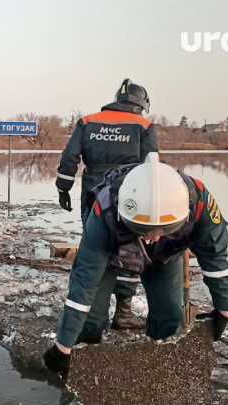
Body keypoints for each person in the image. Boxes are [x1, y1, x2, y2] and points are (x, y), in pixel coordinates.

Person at [44, 152, 228, 377]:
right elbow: (85, 283)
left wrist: (224, 308)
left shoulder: (201, 202)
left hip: (167, 255)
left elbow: (215, 259)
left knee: (170, 316)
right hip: (114, 251)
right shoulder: (103, 211)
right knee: (92, 318)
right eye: (144, 230)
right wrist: (63, 347)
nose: (153, 237)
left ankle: (160, 370)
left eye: (164, 229)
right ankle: (85, 365)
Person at [56, 78, 158, 330]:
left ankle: (90, 313)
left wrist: (63, 187)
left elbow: (70, 157)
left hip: (93, 189)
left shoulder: (87, 122)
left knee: (95, 245)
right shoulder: (144, 125)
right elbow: (153, 167)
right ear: (141, 104)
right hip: (130, 190)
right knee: (130, 248)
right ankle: (123, 313)